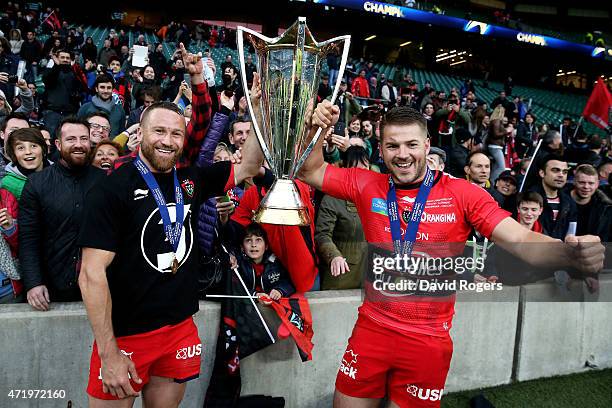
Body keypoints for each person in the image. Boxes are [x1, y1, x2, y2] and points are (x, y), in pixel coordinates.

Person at [297, 102, 603, 408]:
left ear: (427, 145)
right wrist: (317, 127)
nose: (402, 154)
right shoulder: (367, 184)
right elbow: (311, 170)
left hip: (427, 341)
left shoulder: (462, 193)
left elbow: (521, 239)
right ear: (381, 148)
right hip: (371, 330)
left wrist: (568, 254)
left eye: (411, 144)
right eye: (392, 145)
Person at [76, 50, 264, 404]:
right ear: (140, 133)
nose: (168, 140)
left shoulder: (191, 178)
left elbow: (249, 165)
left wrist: (253, 113)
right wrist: (109, 351)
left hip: (179, 329)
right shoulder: (110, 189)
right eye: (158, 131)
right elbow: (91, 274)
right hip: (127, 336)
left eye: (176, 133)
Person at [19, 117, 105, 310]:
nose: (78, 145)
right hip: (52, 286)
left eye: (84, 139)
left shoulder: (105, 181)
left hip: (98, 284)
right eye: (71, 139)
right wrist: (34, 282)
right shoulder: (37, 184)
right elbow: (28, 238)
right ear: (58, 144)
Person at [315, 146, 368, 290]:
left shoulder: (376, 196)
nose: (362, 173)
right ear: (345, 170)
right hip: (342, 274)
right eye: (356, 168)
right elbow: (322, 234)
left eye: (365, 168)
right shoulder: (333, 198)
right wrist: (334, 256)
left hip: (371, 274)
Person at [235, 222, 295, 301]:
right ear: (242, 247)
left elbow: (289, 282)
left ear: (266, 246)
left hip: (271, 305)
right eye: (248, 240)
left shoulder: (275, 263)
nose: (253, 245)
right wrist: (255, 295)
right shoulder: (238, 265)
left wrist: (279, 290)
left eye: (258, 240)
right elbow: (235, 289)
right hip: (248, 307)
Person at [529, 155, 577, 239]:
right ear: (542, 173)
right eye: (555, 170)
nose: (561, 175)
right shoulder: (526, 198)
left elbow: (571, 234)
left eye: (565, 172)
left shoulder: (569, 203)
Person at [1, 127, 51, 200]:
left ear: (43, 149)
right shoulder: (8, 184)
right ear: (14, 154)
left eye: (34, 146)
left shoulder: (58, 174)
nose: (28, 152)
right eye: (21, 148)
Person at [570, 164, 612, 241]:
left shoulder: (605, 208)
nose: (586, 187)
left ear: (597, 184)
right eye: (582, 182)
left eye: (591, 183)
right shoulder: (560, 202)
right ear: (574, 181)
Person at [78, 74, 126, 138]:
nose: (105, 91)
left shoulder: (119, 110)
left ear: (112, 90)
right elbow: (78, 131)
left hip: (113, 146)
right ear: (96, 89)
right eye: (102, 87)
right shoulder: (85, 108)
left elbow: (122, 134)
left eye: (109, 88)